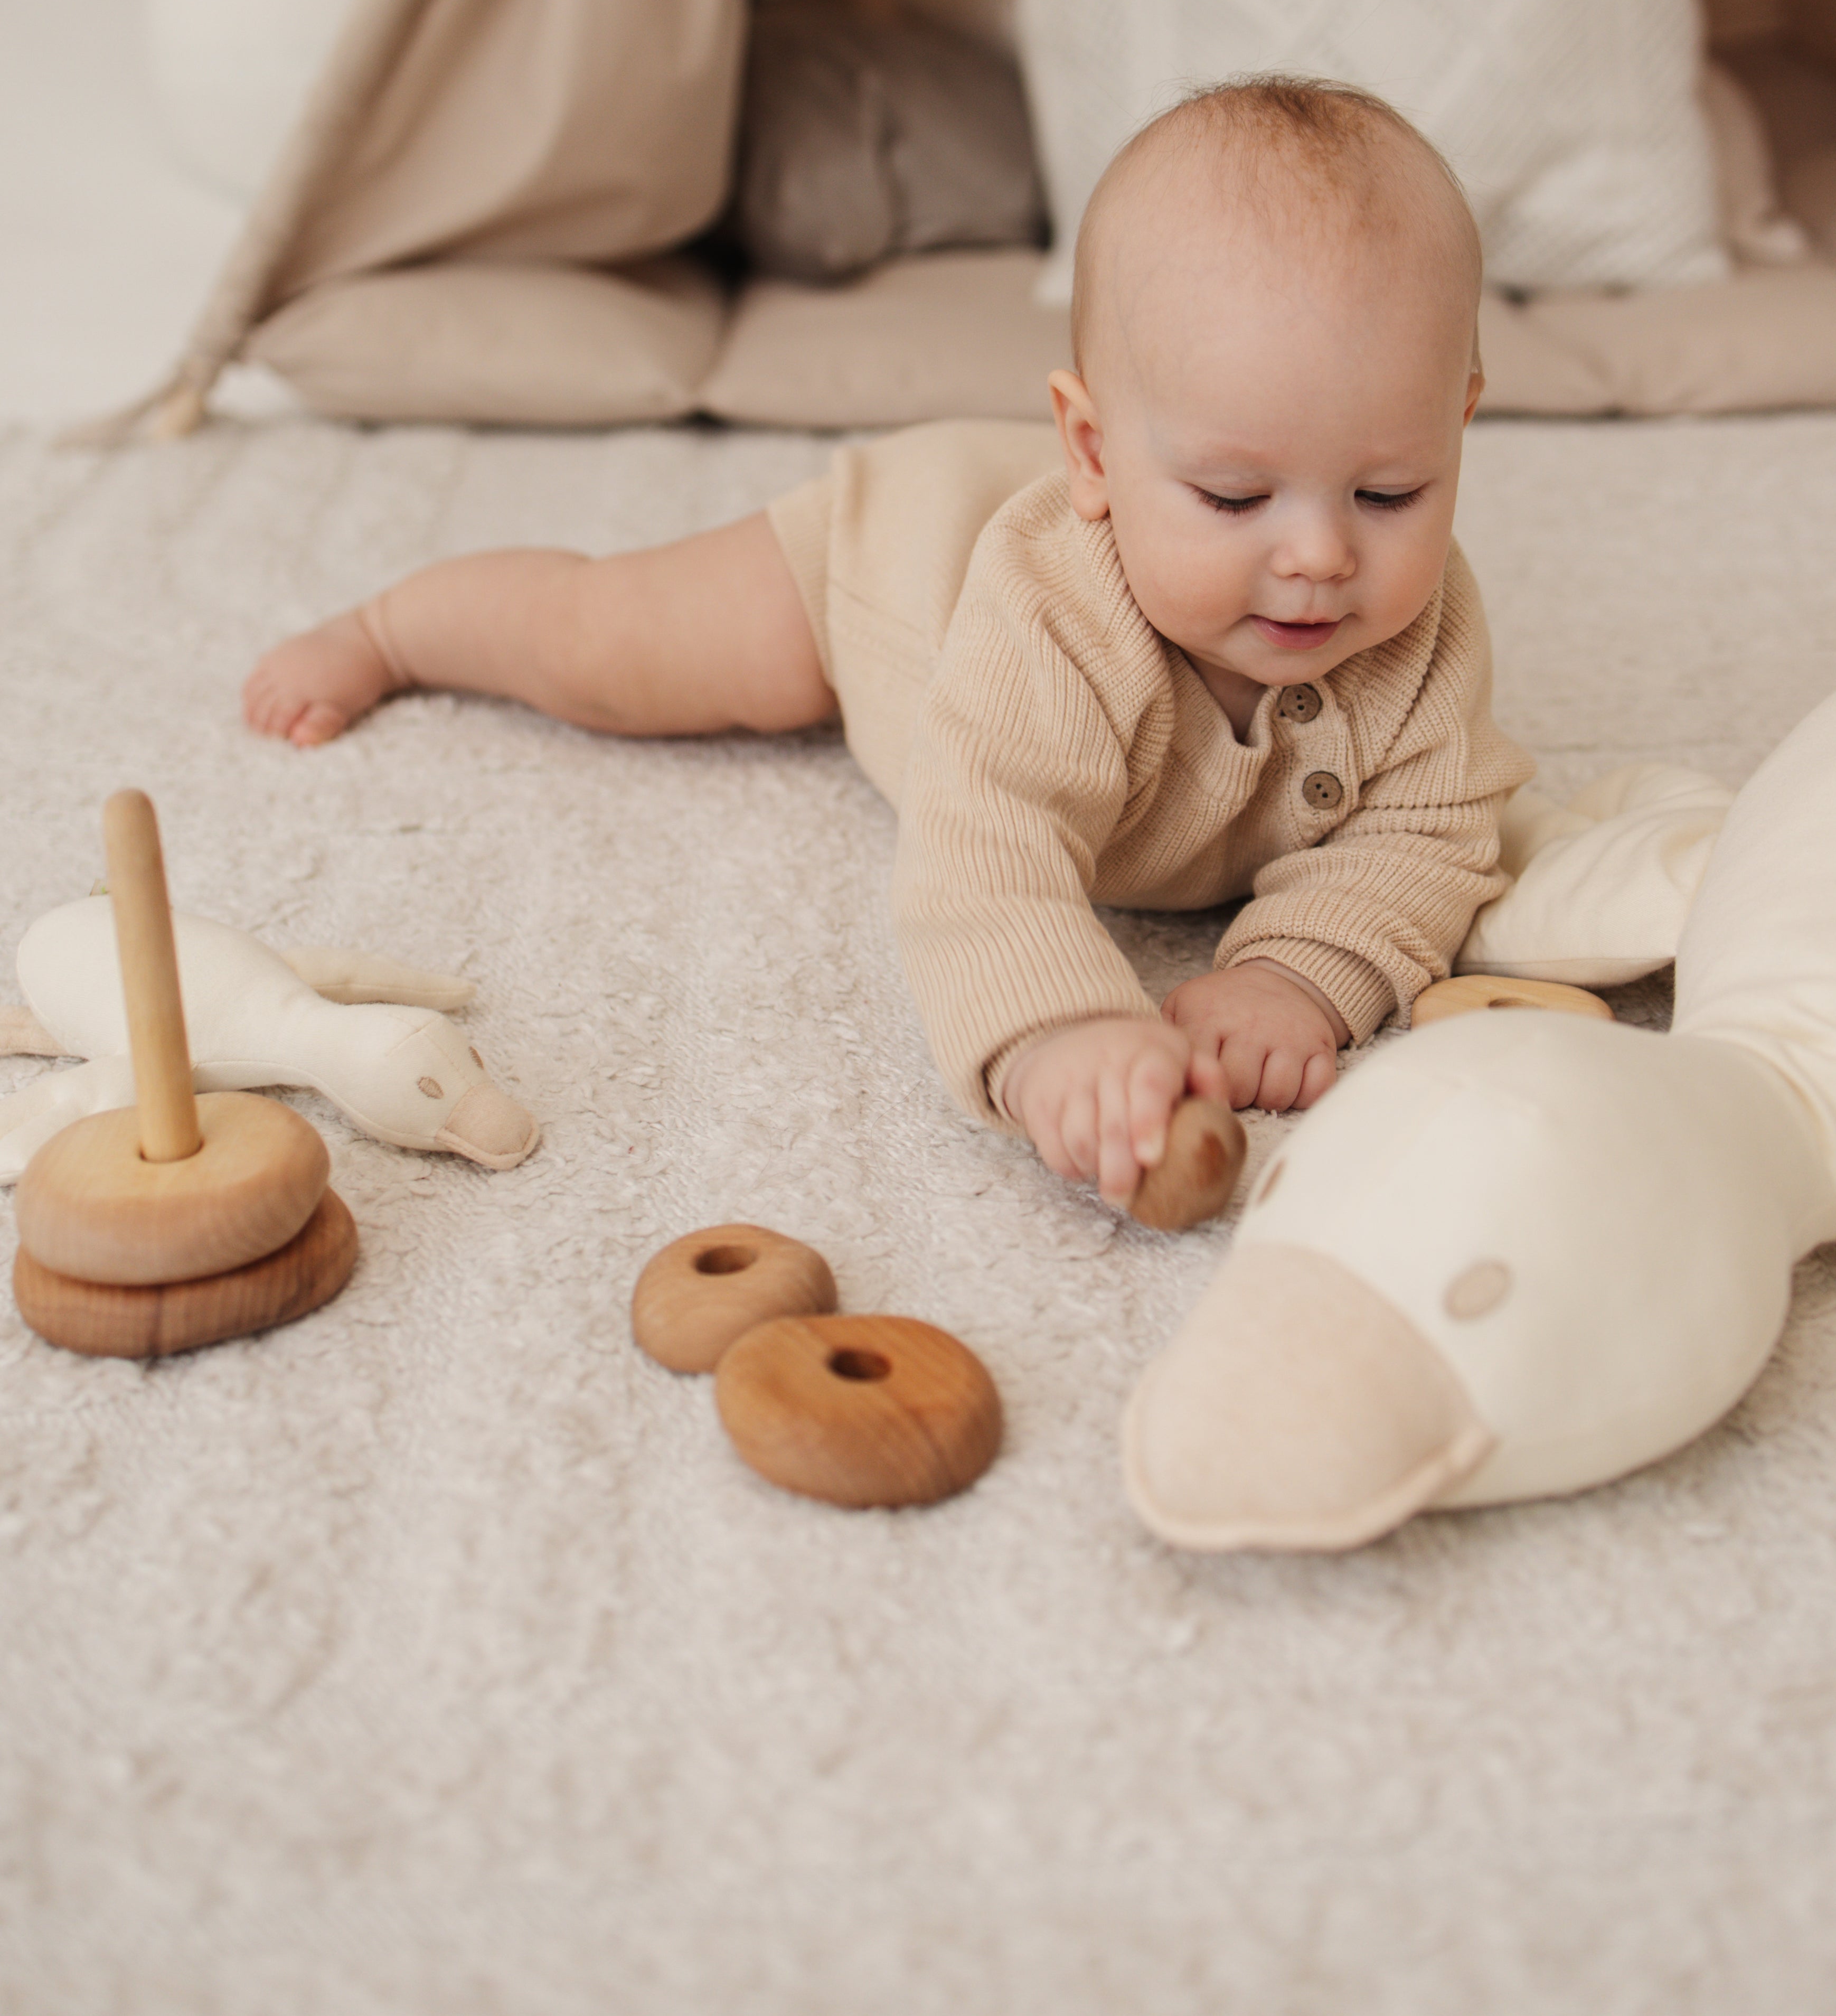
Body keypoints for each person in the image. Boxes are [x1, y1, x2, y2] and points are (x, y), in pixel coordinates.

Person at [244, 77, 1531, 1204]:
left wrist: (1304, 976)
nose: (1321, 556)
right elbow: (985, 852)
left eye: (1390, 492)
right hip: (887, 569)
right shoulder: (1056, 622)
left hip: (994, 521)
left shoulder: (1419, 628)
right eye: (1238, 500)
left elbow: (1429, 828)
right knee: (610, 642)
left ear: (1457, 426)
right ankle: (397, 626)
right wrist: (1062, 1032)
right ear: (1092, 454)